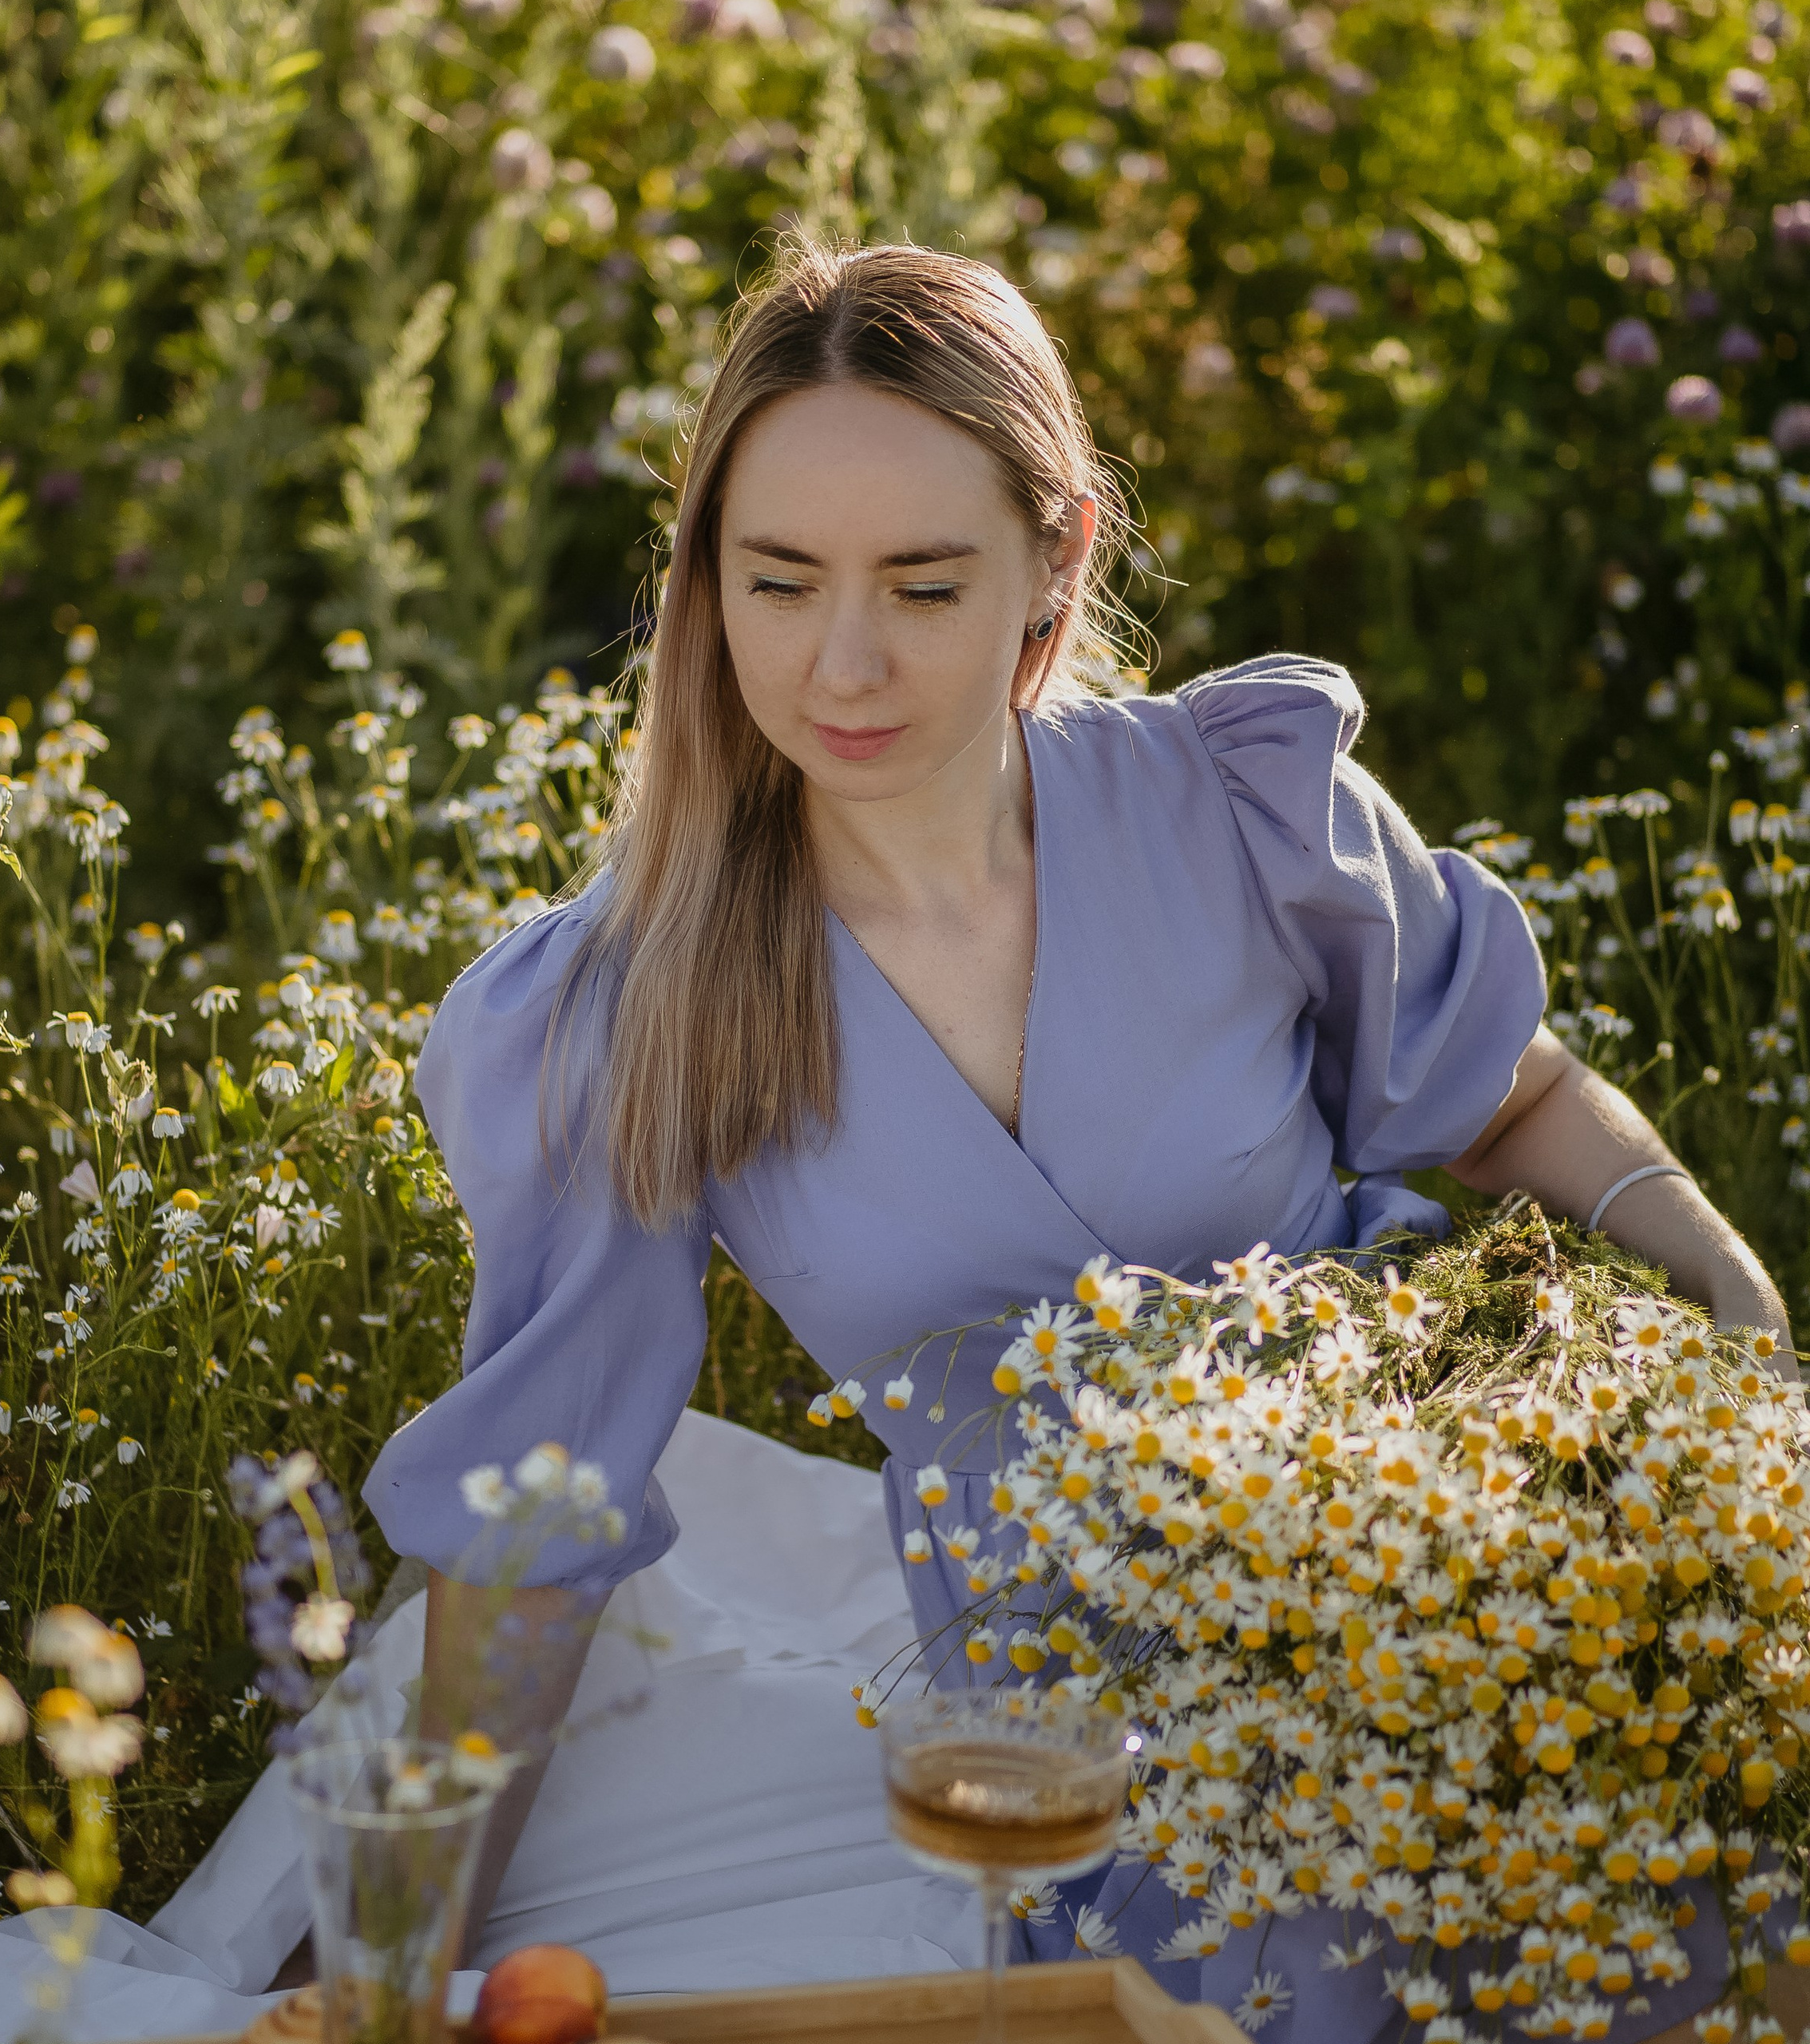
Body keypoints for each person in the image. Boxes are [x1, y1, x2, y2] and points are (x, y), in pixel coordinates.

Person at [360, 236, 1789, 2042]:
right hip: (1077, 1686)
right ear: (701, 580)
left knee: (1687, 1874)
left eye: (925, 584)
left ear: (1059, 556)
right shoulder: (633, 1005)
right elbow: (531, 1522)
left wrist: (1731, 1313)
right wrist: (399, 1959)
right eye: (778, 579)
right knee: (1328, 1961)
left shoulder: (1234, 804)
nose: (843, 661)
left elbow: (1501, 1093)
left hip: (1430, 1525)